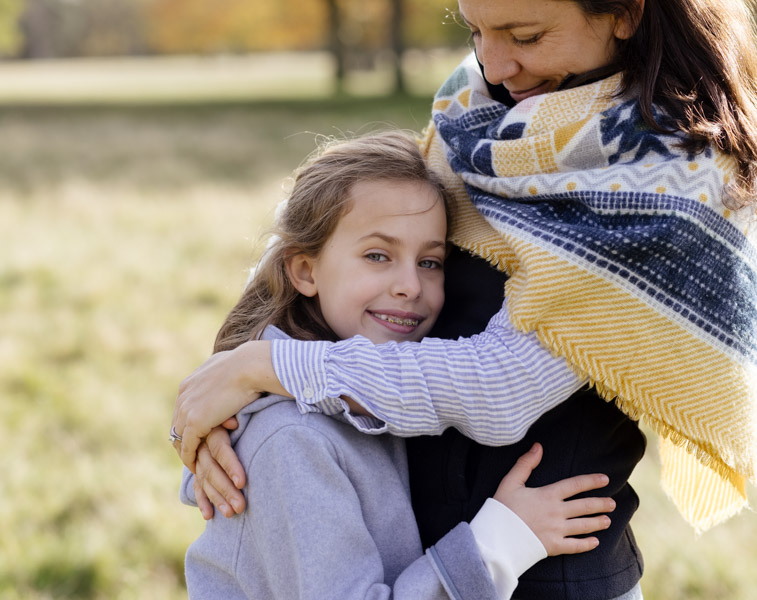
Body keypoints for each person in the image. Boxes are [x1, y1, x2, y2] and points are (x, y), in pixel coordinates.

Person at [172, 1, 757, 599]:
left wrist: (268, 370)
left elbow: (501, 388)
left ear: (625, 12)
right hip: (411, 552)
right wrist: (227, 401)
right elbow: (353, 221)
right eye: (475, 30)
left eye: (525, 36)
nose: (492, 63)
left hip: (542, 566)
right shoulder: (481, 107)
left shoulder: (673, 177)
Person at [179, 131, 615, 600]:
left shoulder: (368, 393)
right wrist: (501, 541)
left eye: (430, 262)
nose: (409, 285)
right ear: (305, 271)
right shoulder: (294, 442)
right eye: (377, 255)